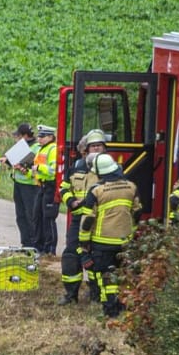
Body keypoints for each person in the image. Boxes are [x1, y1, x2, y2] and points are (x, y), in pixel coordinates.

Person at [73, 153, 143, 318]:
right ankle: (124, 308)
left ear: (99, 172)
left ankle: (110, 312)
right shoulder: (131, 187)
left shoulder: (97, 190)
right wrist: (131, 232)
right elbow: (138, 211)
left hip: (101, 242)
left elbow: (88, 219)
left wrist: (83, 243)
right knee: (123, 275)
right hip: (125, 241)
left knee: (106, 278)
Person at [60, 129, 108, 303]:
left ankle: (96, 294)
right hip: (78, 220)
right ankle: (71, 295)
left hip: (99, 221)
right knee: (71, 255)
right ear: (86, 150)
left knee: (97, 257)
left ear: (104, 149)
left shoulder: (109, 169)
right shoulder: (76, 167)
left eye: (99, 146)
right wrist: (71, 201)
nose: (96, 149)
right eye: (92, 146)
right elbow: (64, 187)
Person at [8, 122, 39, 249]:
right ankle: (25, 242)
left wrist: (23, 167)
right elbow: (11, 160)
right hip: (19, 184)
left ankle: (33, 243)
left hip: (30, 186)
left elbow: (36, 167)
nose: (17, 139)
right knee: (20, 215)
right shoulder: (21, 145)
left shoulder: (36, 148)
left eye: (19, 136)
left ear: (26, 136)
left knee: (30, 215)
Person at [33, 124, 61, 255]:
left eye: (42, 136)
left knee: (48, 218)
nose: (39, 139)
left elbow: (53, 170)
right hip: (42, 186)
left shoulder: (53, 149)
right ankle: (39, 246)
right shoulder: (42, 149)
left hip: (50, 186)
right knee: (37, 216)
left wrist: (38, 169)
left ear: (50, 136)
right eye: (39, 136)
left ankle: (50, 249)